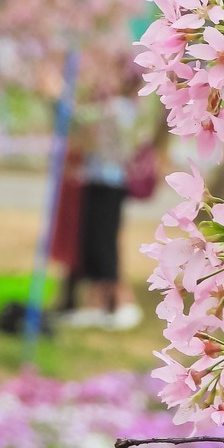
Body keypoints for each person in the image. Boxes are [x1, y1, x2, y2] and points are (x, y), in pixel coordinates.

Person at [58, 70, 144, 331]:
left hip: (108, 186)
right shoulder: (116, 109)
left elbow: (81, 119)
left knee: (103, 243)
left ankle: (112, 303)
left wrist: (57, 95)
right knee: (93, 242)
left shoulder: (118, 108)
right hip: (98, 183)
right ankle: (94, 303)